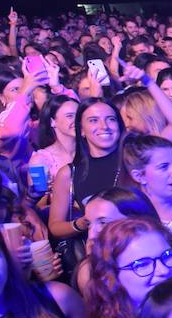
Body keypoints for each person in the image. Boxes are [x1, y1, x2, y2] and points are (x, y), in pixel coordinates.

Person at [48, 98, 124, 242]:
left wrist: (148, 82)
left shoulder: (135, 159)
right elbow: (55, 227)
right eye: (93, 120)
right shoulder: (69, 173)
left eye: (111, 119)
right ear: (81, 130)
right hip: (101, 251)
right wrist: (83, 222)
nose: (104, 126)